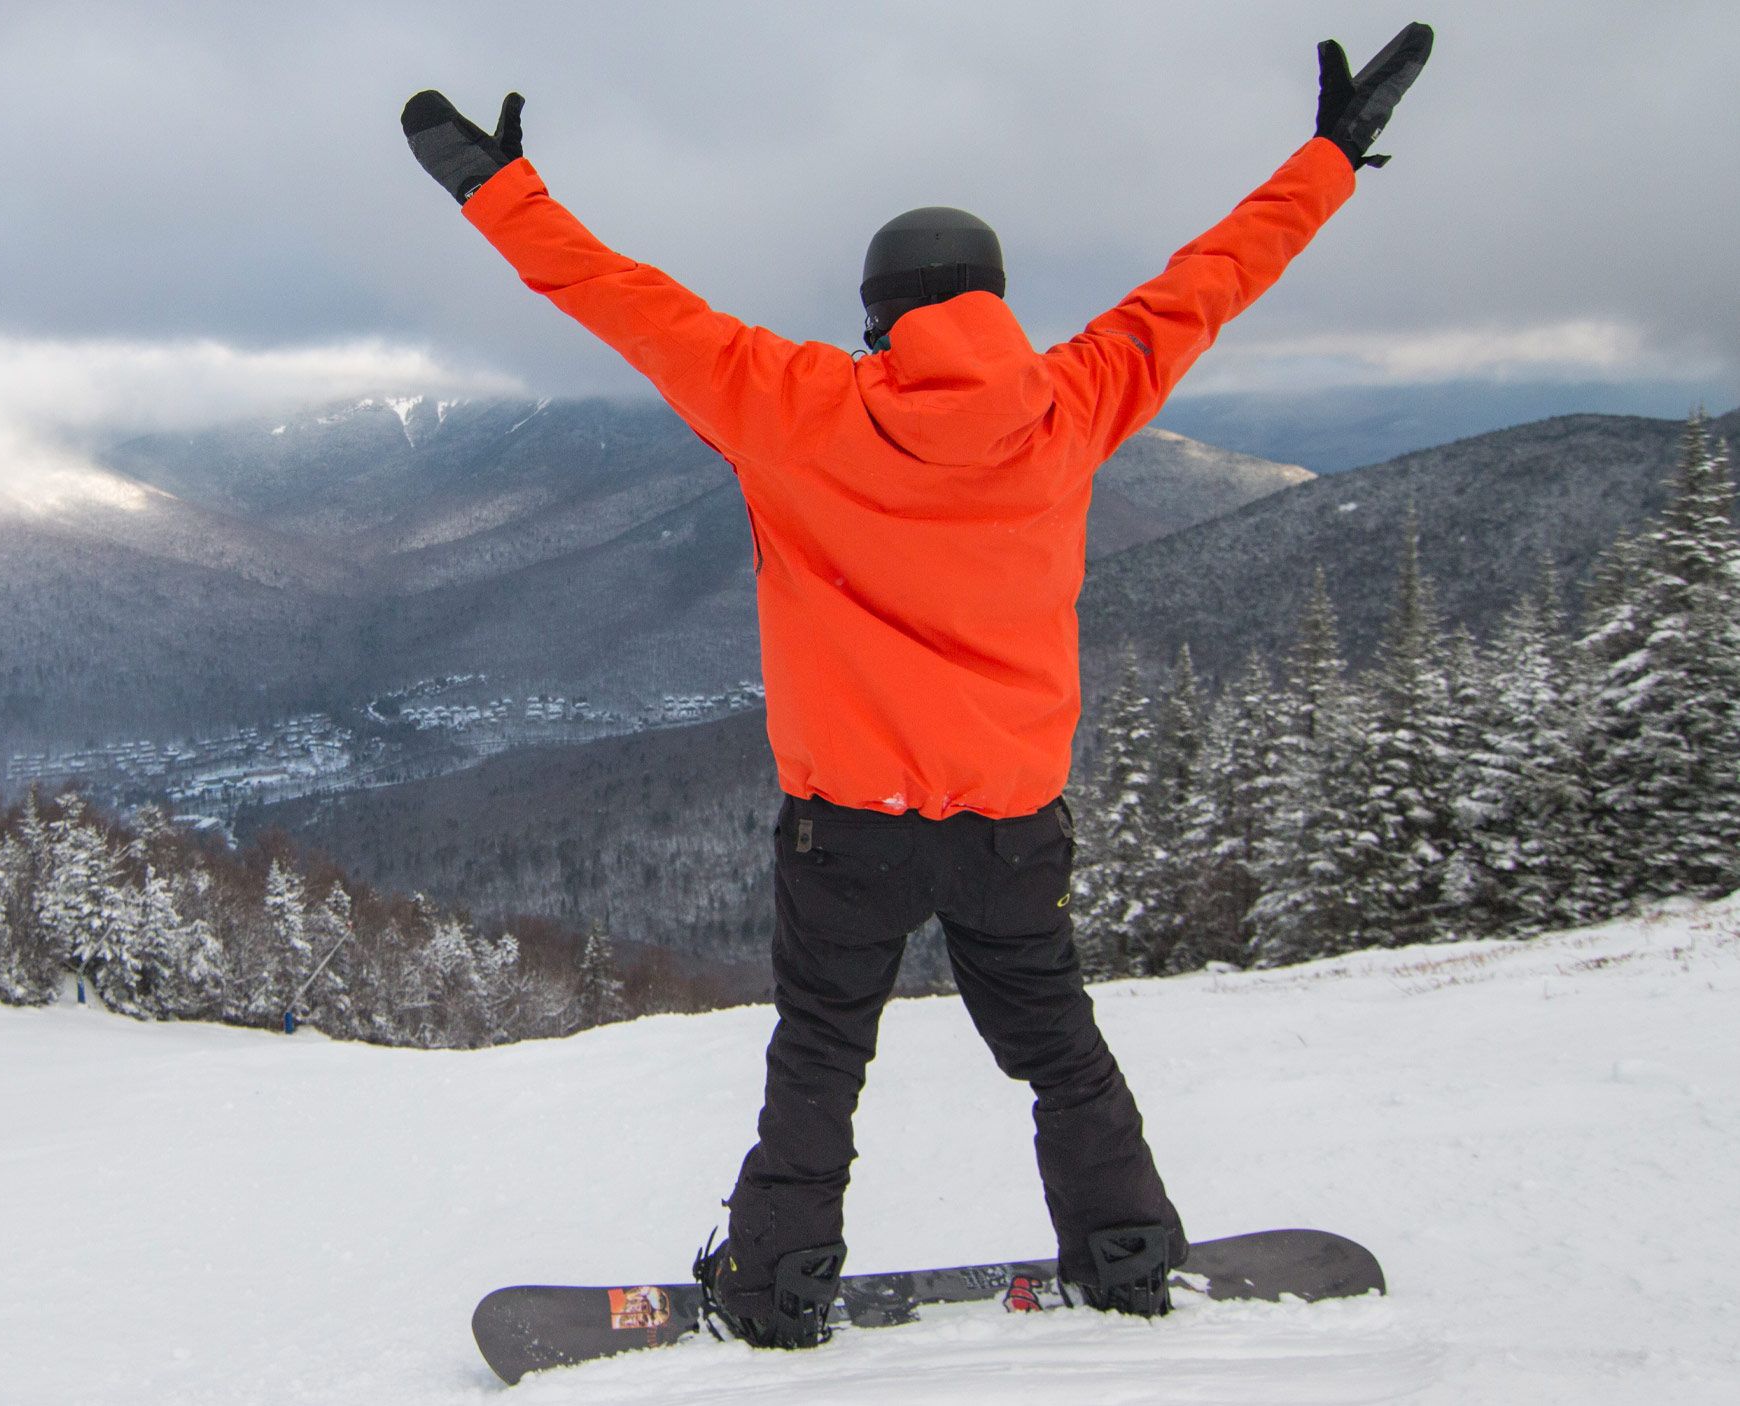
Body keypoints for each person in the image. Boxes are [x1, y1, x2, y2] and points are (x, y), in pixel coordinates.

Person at [401, 24, 1433, 1346]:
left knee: (821, 1058)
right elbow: (1210, 282)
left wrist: (499, 190)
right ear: (994, 299)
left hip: (849, 829)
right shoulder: (1075, 399)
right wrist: (1333, 156)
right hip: (1010, 826)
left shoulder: (796, 403)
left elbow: (625, 301)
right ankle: (1126, 1249)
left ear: (881, 310)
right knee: (1060, 1046)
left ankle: (775, 1284)